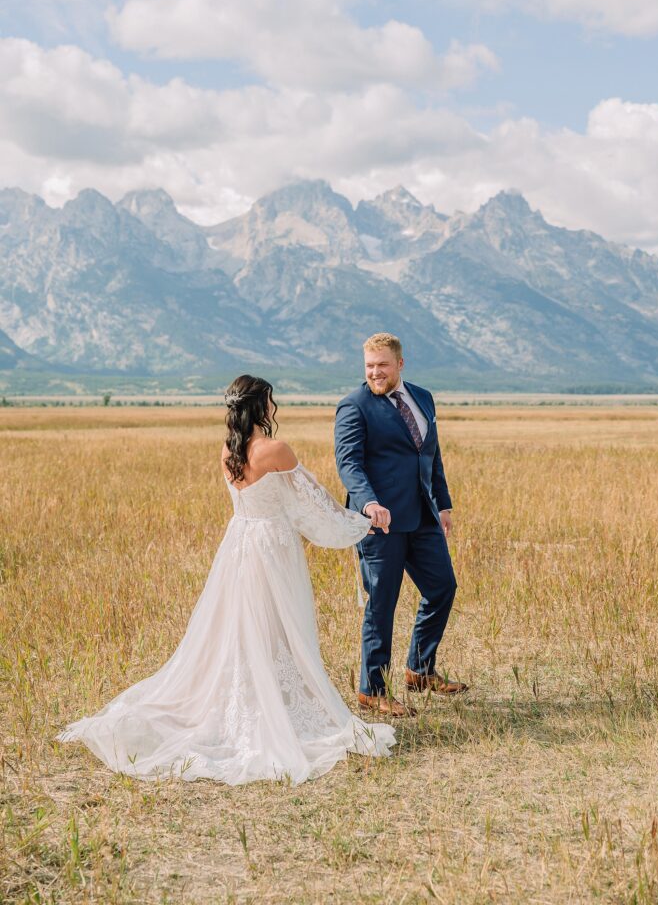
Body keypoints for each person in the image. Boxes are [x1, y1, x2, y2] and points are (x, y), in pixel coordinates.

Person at [55, 375, 396, 785]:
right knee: (278, 627)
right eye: (270, 400)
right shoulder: (275, 450)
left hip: (240, 545)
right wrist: (360, 524)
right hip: (272, 549)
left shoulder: (227, 451)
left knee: (241, 629)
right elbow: (315, 507)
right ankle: (272, 710)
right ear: (258, 406)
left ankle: (245, 702)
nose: (274, 407)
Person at [335, 332, 469, 717]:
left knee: (443, 587)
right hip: (380, 524)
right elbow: (349, 464)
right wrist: (369, 502)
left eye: (383, 365)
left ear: (400, 364)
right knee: (381, 604)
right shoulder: (353, 406)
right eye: (369, 366)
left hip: (423, 516)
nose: (375, 373)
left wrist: (442, 503)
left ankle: (420, 670)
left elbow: (431, 455)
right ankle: (372, 690)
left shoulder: (423, 398)